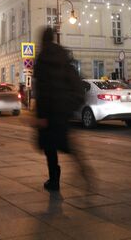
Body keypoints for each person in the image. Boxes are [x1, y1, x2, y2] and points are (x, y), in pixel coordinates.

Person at [34, 27, 92, 191]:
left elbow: (42, 90)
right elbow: (72, 79)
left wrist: (40, 115)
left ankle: (54, 180)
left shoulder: (42, 58)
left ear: (43, 40)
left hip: (49, 110)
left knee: (50, 148)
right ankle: (83, 168)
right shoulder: (62, 55)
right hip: (63, 108)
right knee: (67, 144)